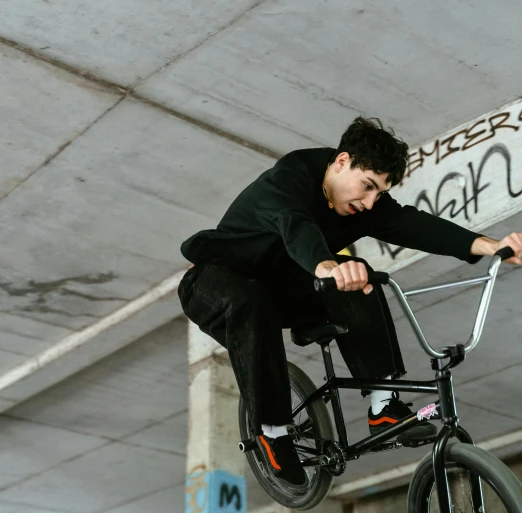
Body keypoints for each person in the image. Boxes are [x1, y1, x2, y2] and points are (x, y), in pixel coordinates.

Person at [177, 116, 522, 488]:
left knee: (360, 278)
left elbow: (416, 225)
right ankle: (272, 432)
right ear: (342, 162)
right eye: (367, 186)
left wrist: (490, 245)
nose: (370, 201)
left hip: (280, 289)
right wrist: (325, 265)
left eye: (380, 192)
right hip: (214, 281)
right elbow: (294, 224)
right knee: (253, 299)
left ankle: (383, 405)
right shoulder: (290, 176)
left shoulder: (366, 204)